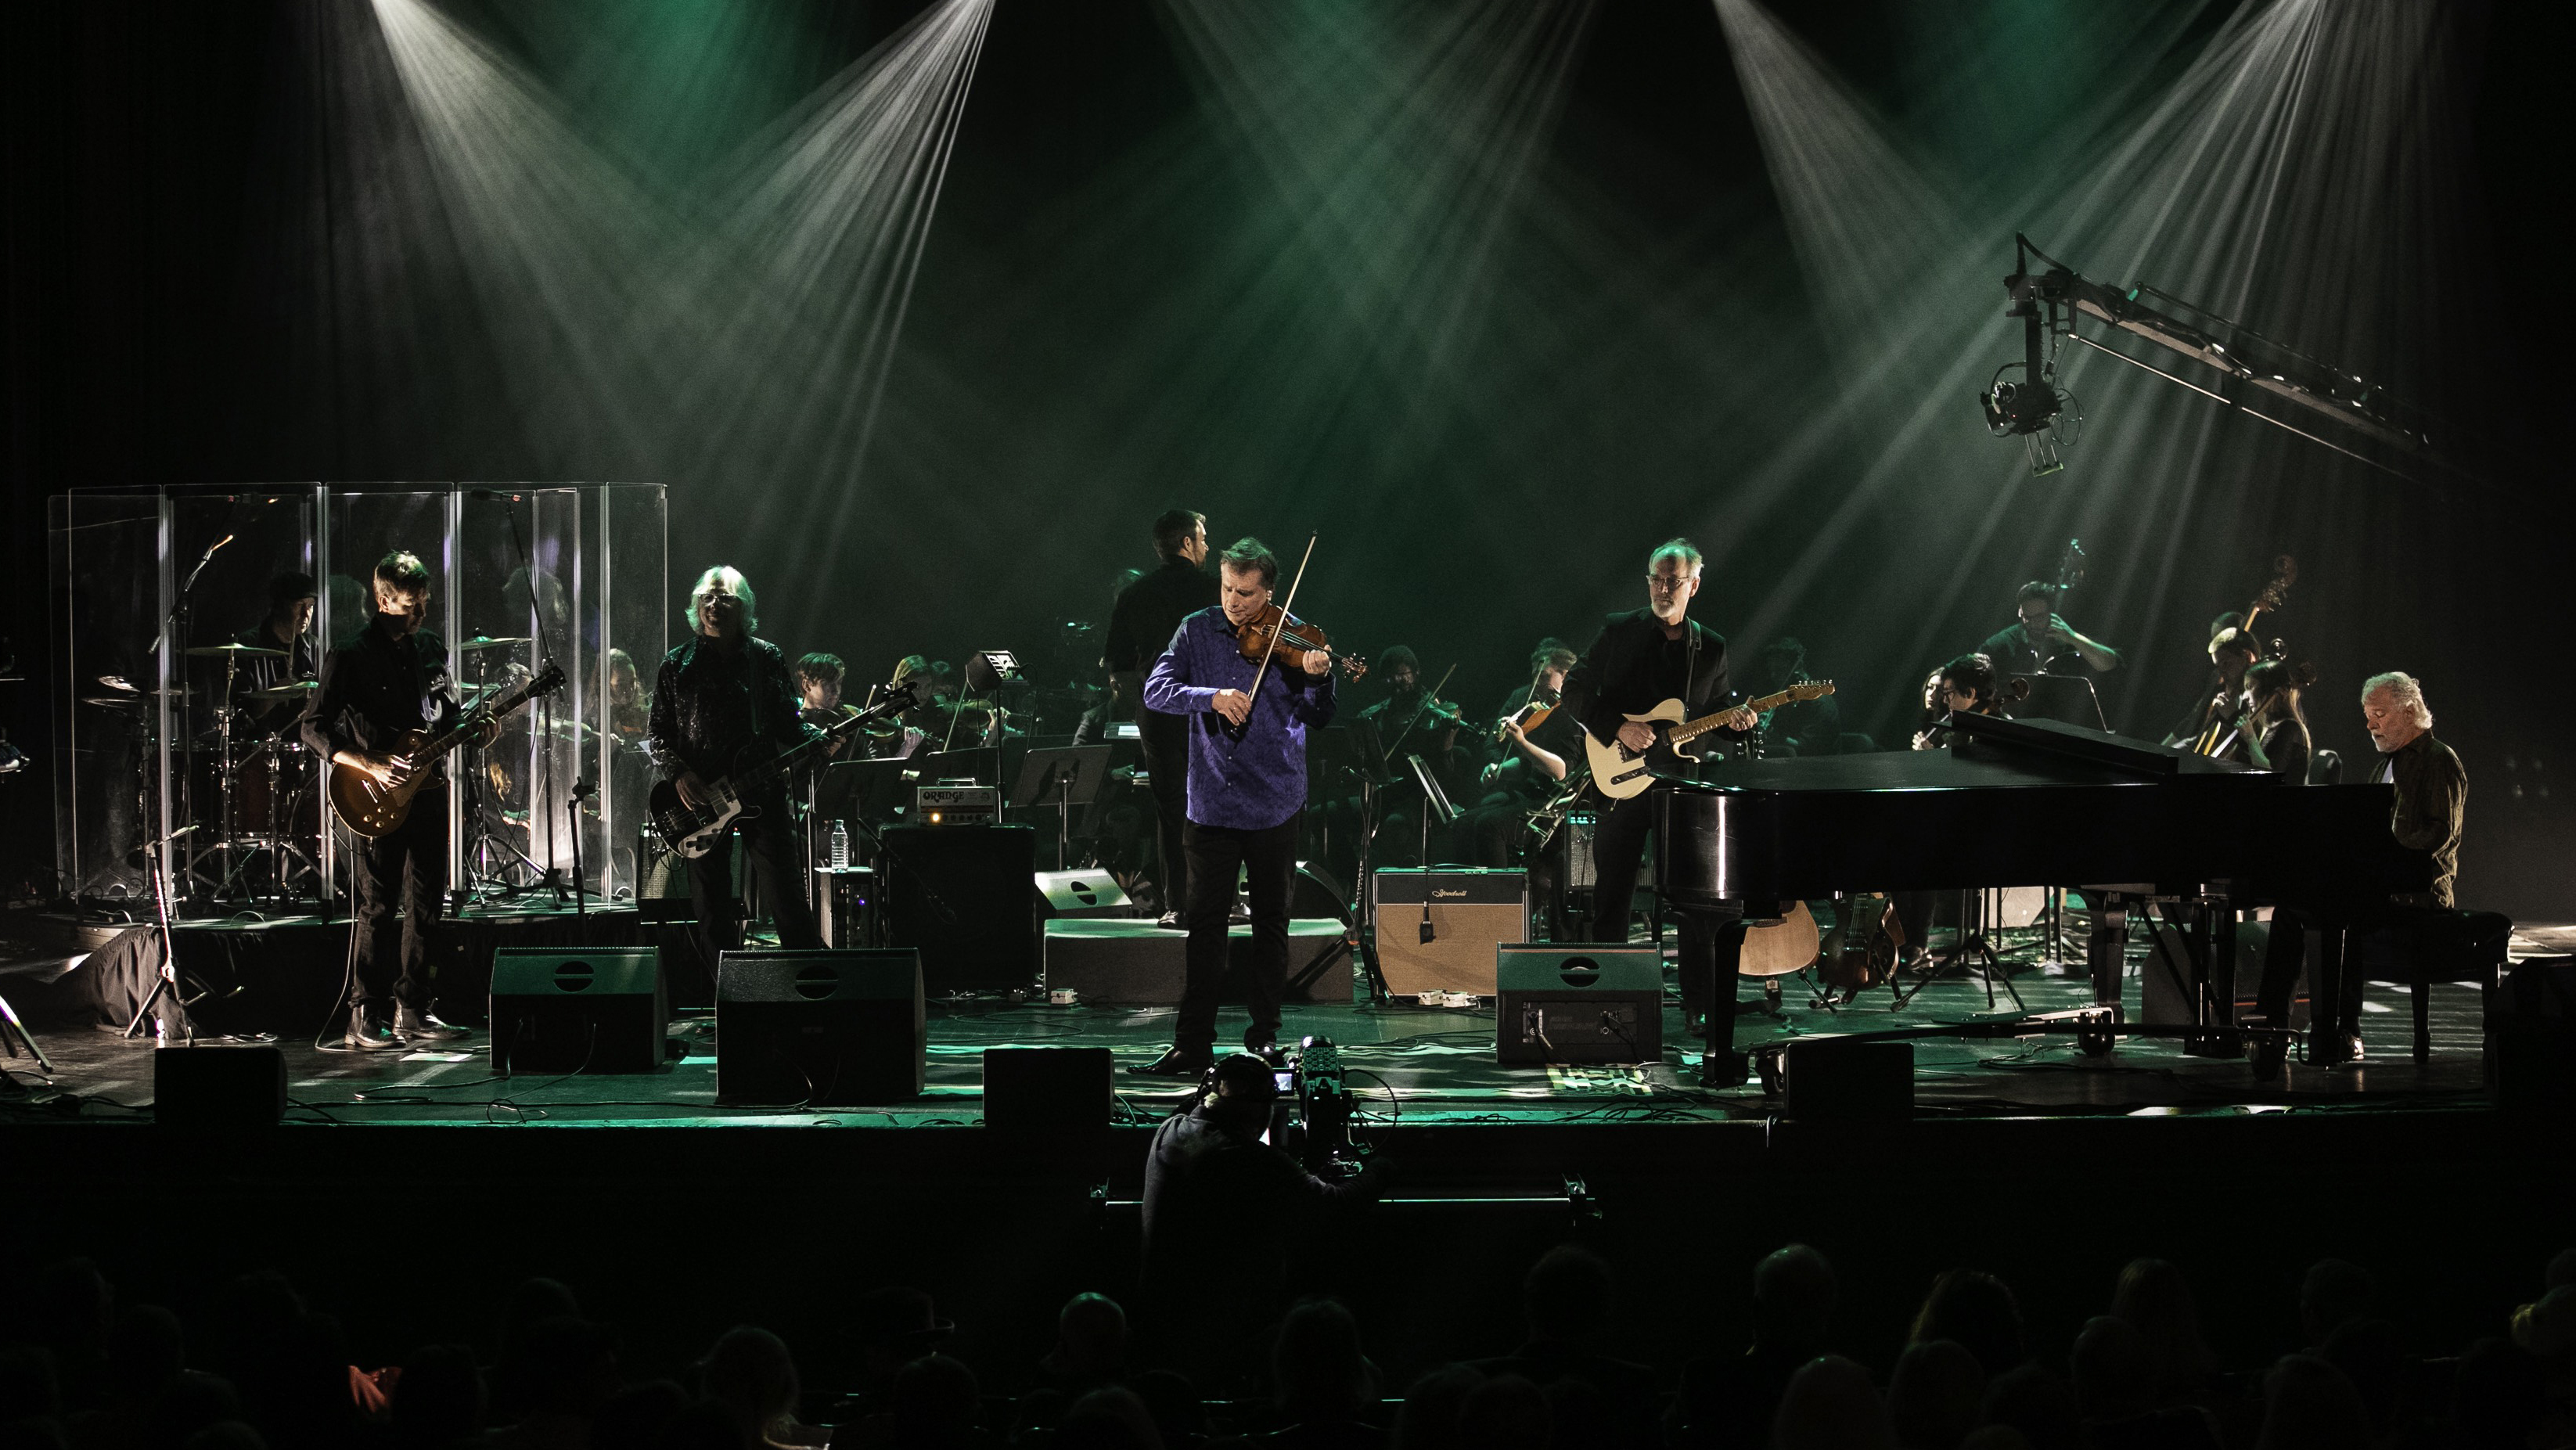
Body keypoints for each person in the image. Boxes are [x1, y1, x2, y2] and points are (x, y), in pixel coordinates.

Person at [1131, 538, 1337, 1075]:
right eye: (1227, 588)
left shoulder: (1296, 634)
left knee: (1272, 926)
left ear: (1268, 590)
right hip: (1213, 802)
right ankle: (1192, 1044)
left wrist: (1319, 676)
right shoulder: (1196, 628)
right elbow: (1156, 690)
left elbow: (1318, 715)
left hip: (1275, 799)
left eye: (1246, 593)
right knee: (1204, 929)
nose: (1235, 602)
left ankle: (1263, 1039)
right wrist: (1212, 695)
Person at [1563, 538, 1757, 1067]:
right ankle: (1607, 996)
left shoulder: (1710, 646)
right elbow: (1573, 689)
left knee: (1697, 901)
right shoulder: (1619, 629)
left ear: (1695, 583)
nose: (1663, 588)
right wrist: (1617, 725)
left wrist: (1738, 723)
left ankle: (1699, 1004)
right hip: (1620, 777)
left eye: (1674, 579)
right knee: (1613, 893)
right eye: (1656, 578)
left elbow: (1714, 709)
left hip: (1679, 787)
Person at [302, 552, 492, 1049]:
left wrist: (475, 732)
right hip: (374, 795)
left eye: (425, 602)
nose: (421, 614)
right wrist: (368, 763)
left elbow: (446, 717)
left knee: (428, 904)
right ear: (383, 600)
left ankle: (415, 1007)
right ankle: (364, 1015)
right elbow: (312, 726)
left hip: (428, 793)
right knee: (379, 904)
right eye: (411, 605)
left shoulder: (429, 647)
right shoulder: (350, 653)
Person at [648, 566, 823, 981]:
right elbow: (657, 734)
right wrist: (679, 775)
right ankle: (727, 996)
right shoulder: (677, 664)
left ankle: (811, 990)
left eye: (725, 598)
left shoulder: (765, 657)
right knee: (711, 907)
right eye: (707, 598)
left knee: (787, 898)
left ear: (743, 608)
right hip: (701, 801)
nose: (714, 605)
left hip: (762, 790)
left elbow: (787, 724)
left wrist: (816, 737)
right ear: (696, 605)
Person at [1138, 1056, 1377, 1355]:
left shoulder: (1168, 1131)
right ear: (1262, 1111)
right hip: (1228, 1334)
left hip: (1158, 1321)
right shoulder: (1252, 1158)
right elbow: (1338, 1204)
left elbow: (1194, 1111)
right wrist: (1381, 1168)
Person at [1104, 509, 1218, 925]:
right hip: (1209, 709)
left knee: (1171, 808)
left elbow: (1116, 663)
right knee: (1214, 804)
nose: (1206, 545)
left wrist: (1140, 687)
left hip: (1158, 709)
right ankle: (1217, 898)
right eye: (1202, 538)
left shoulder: (1135, 594)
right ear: (1186, 543)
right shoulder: (1215, 589)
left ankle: (1178, 905)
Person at [233, 571, 318, 734]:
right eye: (299, 605)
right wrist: (274, 695)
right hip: (260, 745)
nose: (306, 614)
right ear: (279, 606)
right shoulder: (247, 646)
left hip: (306, 745)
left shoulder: (315, 647)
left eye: (310, 606)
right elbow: (243, 713)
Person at [1981, 581, 2120, 679]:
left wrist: (2073, 637)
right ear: (2020, 612)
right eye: (2027, 617)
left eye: (2040, 617)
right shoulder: (2000, 644)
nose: (2033, 623)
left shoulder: (2070, 637)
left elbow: (2110, 664)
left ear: (2052, 613)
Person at [2162, 624, 2261, 750]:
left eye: (2226, 664)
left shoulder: (2262, 693)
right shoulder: (2232, 690)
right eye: (2219, 667)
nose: (2222, 673)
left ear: (2248, 657)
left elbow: (2256, 746)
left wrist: (2233, 716)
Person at [1742, 637, 1842, 757]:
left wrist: (1773, 734)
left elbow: (1805, 750)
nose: (1774, 676)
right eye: (1772, 671)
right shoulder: (1786, 698)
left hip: (1818, 768)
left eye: (1779, 670)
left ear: (1797, 668)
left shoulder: (1820, 701)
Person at [2236, 659, 2312, 781]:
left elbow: (2271, 776)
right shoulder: (2264, 727)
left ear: (2269, 689)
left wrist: (2251, 739)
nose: (2244, 696)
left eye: (2250, 687)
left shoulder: (2290, 728)